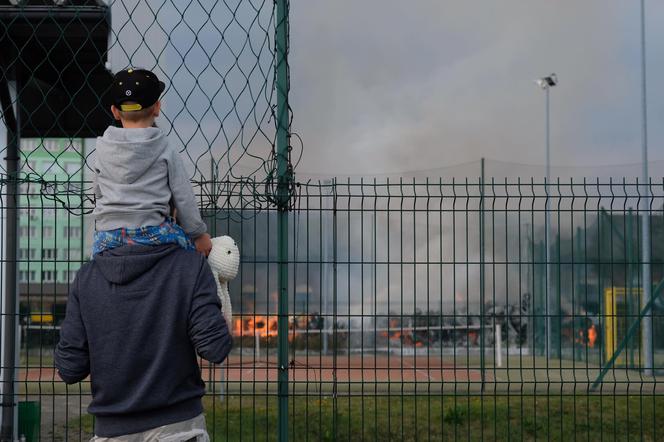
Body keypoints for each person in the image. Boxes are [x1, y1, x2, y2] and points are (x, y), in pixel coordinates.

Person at [55, 243, 232, 440]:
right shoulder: (190, 265)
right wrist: (224, 320)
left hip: (112, 430)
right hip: (178, 427)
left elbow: (69, 369)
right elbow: (216, 348)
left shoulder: (87, 277)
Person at [92, 68, 212, 257]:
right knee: (191, 258)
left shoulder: (102, 148)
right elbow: (183, 196)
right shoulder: (165, 148)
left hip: (108, 235)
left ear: (115, 111)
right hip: (153, 232)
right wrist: (198, 234)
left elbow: (98, 191)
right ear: (157, 107)